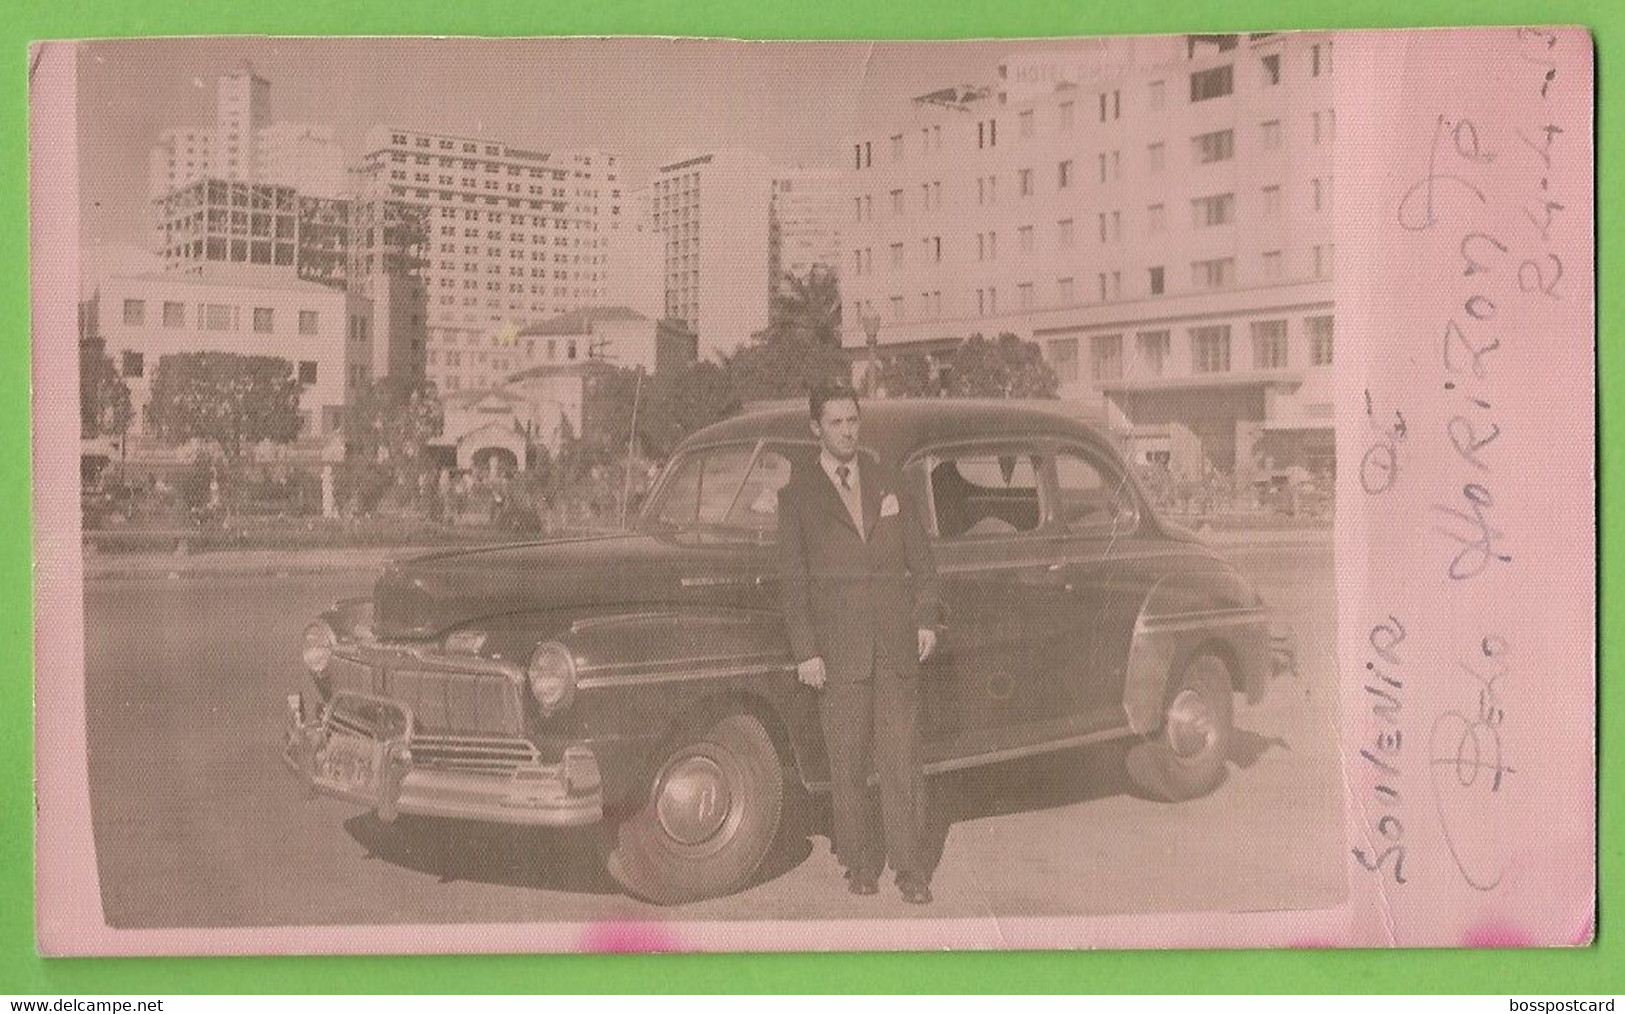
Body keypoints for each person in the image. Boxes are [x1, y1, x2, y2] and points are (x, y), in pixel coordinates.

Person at [775, 380, 941, 904]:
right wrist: (806, 651)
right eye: (836, 423)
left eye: (853, 421)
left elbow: (925, 564)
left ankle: (911, 870)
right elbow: (792, 581)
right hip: (838, 654)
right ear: (815, 429)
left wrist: (926, 620)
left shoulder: (891, 482)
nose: (847, 432)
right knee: (847, 767)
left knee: (902, 763)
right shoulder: (797, 496)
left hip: (895, 649)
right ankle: (860, 865)